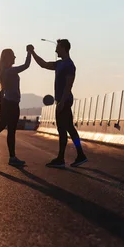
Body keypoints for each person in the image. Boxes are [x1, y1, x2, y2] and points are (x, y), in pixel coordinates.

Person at [30, 39, 87, 168]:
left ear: (64, 48)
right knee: (69, 129)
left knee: (63, 130)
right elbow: (43, 64)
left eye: (58, 48)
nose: (56, 50)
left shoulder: (69, 65)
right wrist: (32, 52)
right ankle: (79, 155)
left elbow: (69, 85)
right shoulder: (59, 64)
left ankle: (63, 158)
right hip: (62, 101)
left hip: (64, 101)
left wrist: (62, 102)